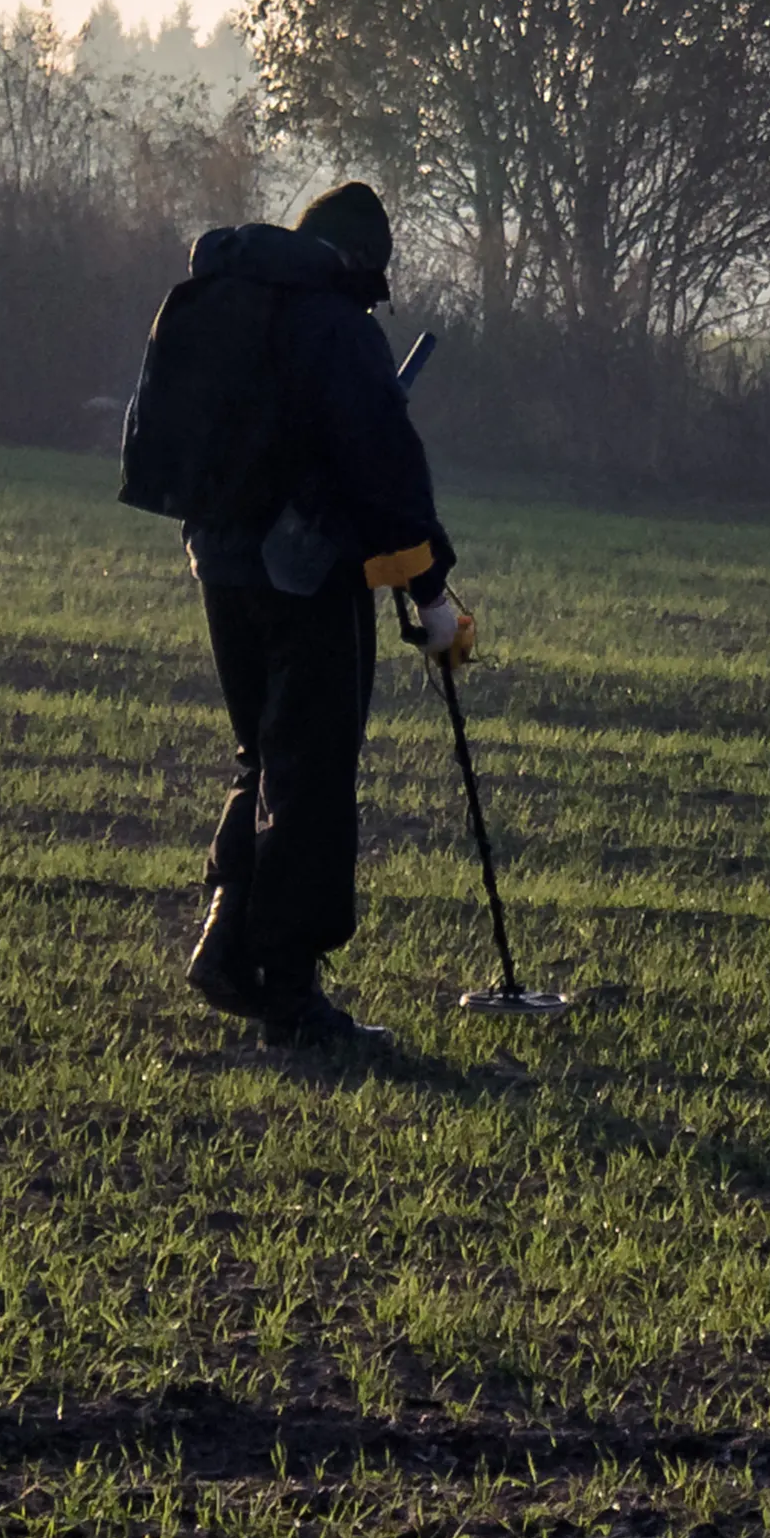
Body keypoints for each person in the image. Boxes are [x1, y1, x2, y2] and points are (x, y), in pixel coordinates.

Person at [170, 181, 469, 1050]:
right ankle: (292, 999)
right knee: (311, 777)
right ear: (361, 260)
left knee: (264, 755)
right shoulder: (337, 327)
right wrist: (431, 594)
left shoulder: (232, 298)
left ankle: (225, 940)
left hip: (218, 560)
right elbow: (386, 472)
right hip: (305, 579)